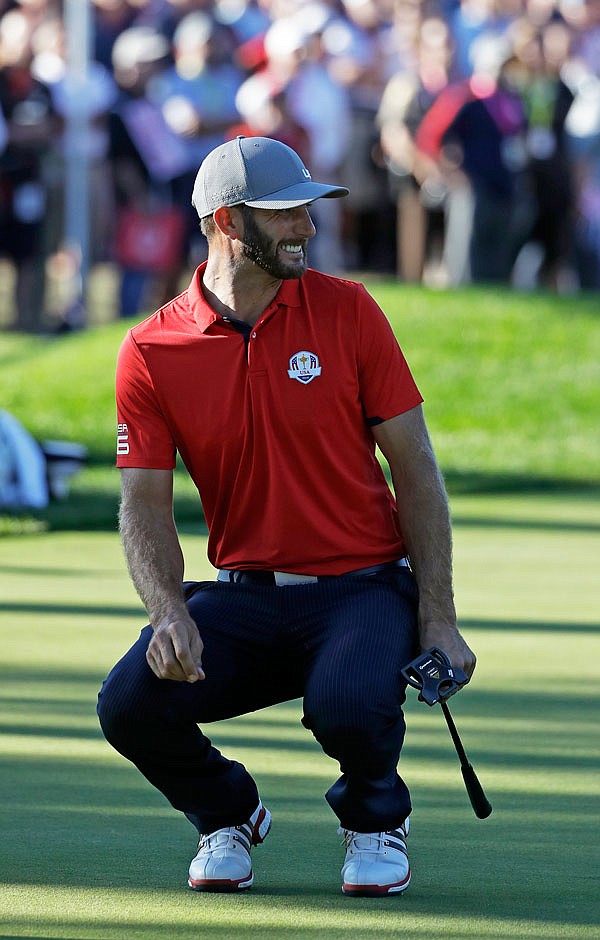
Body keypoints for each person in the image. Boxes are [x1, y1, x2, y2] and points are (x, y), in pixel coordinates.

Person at [97, 135, 476, 898]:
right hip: (246, 596)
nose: (307, 227)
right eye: (287, 214)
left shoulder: (351, 311)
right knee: (129, 704)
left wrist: (438, 618)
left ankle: (374, 821)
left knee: (346, 704)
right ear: (229, 223)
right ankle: (226, 813)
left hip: (363, 589)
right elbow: (142, 505)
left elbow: (416, 473)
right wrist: (167, 609)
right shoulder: (150, 349)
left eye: (308, 210)